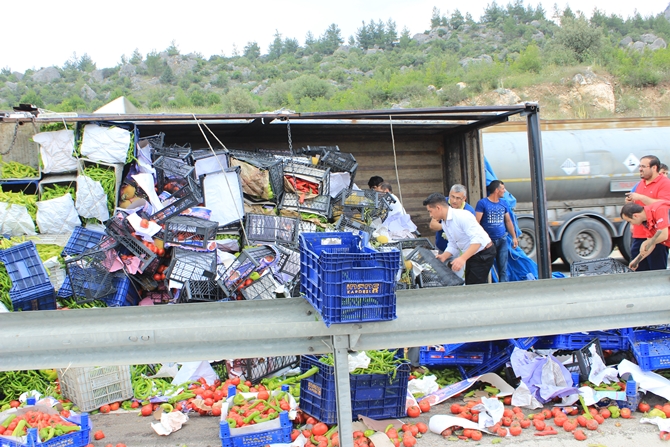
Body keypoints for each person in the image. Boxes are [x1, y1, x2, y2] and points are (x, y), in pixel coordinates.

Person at [423, 192, 496, 285]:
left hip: (483, 252)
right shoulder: (445, 223)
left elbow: (477, 241)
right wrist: (444, 256)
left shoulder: (462, 216)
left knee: (474, 286)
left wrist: (462, 259)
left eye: (430, 211)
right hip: (472, 253)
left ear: (438, 208)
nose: (430, 215)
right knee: (470, 284)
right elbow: (453, 244)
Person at [625, 155, 670, 271]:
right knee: (638, 270)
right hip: (639, 233)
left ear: (654, 168)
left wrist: (641, 197)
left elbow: (664, 204)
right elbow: (639, 209)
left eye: (644, 166)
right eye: (640, 166)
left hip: (656, 235)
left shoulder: (664, 183)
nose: (640, 169)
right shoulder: (640, 184)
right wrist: (631, 202)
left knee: (656, 270)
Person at [475, 180, 518, 282]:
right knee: (485, 268)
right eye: (503, 188)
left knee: (503, 268)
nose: (504, 191)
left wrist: (514, 237)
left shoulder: (503, 203)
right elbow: (476, 222)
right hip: (488, 242)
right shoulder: (482, 203)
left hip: (502, 239)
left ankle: (503, 289)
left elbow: (508, 221)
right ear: (497, 190)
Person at [620, 201, 670, 270]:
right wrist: (637, 260)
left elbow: (664, 235)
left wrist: (646, 242)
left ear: (635, 216)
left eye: (630, 221)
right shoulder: (646, 222)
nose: (632, 224)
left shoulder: (659, 209)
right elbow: (650, 246)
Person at [430, 184, 476, 252]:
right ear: (449, 194)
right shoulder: (442, 204)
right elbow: (432, 225)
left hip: (460, 251)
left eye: (458, 198)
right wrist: (449, 226)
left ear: (464, 198)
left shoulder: (469, 211)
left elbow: (472, 235)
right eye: (452, 197)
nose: (454, 201)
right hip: (441, 248)